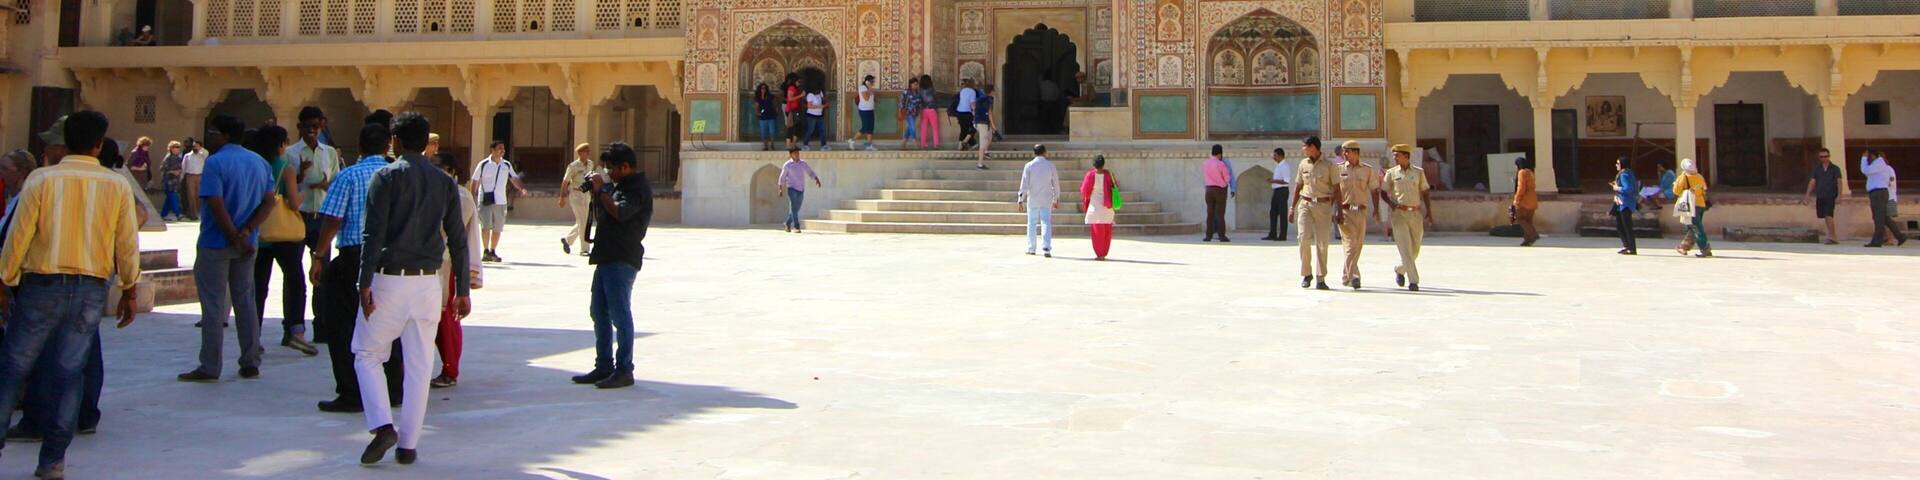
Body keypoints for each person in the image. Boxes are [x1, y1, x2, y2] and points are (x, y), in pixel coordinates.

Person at [0, 110, 142, 480]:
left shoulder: (42, 179)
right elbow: (126, 243)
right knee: (68, 372)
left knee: (13, 367)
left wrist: (4, 280)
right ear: (98, 144)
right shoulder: (116, 185)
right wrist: (129, 287)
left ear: (62, 144)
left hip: (40, 285)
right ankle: (52, 461)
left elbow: (19, 235)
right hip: (90, 289)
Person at [351, 112, 470, 466]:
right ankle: (408, 445)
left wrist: (364, 281)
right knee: (419, 365)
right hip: (428, 283)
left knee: (368, 353)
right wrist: (462, 288)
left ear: (395, 141)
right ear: (426, 143)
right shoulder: (444, 182)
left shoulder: (385, 176)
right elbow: (458, 240)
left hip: (389, 278)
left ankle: (382, 423)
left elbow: (372, 235)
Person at [311, 123, 405, 414]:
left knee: (343, 325)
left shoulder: (349, 175)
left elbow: (332, 219)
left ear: (360, 147)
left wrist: (319, 255)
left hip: (354, 255)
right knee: (389, 323)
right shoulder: (399, 176)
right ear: (388, 145)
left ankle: (351, 391)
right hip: (391, 259)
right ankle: (393, 388)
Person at [179, 115, 276, 382]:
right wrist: (246, 231)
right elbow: (269, 202)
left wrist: (233, 234)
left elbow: (215, 202)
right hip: (247, 243)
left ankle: (210, 365)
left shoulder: (216, 162)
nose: (209, 136)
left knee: (213, 305)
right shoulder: (259, 162)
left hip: (216, 242)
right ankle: (250, 359)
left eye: (213, 132)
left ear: (223, 135)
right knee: (245, 301)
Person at [571, 142, 652, 390]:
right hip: (606, 256)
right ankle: (604, 365)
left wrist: (602, 191)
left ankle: (624, 369)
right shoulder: (618, 186)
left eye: (612, 168)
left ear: (626, 167)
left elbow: (620, 212)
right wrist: (599, 192)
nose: (609, 172)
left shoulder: (637, 188)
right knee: (599, 312)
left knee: (620, 315)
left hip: (622, 258)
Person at [246, 126, 317, 356]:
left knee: (258, 286)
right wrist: (304, 190)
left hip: (259, 231)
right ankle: (295, 331)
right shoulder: (284, 167)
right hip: (285, 235)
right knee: (295, 281)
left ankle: (252, 336)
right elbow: (295, 202)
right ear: (280, 145)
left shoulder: (254, 166)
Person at [429, 152, 483, 389]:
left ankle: (450, 368)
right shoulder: (434, 191)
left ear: (451, 170)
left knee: (447, 318)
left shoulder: (460, 196)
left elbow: (455, 235)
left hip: (447, 264)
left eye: (439, 167)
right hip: (431, 264)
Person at [1381, 144, 1432, 291]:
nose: (1394, 158)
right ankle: (1414, 281)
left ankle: (1400, 269)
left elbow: (1426, 192)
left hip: (1415, 213)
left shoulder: (1418, 172)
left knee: (1415, 249)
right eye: (1394, 155)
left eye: (1397, 155)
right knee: (1405, 249)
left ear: (1406, 156)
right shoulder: (1391, 173)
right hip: (1399, 214)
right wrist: (1392, 204)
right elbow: (1383, 191)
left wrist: (1429, 212)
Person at [290, 107, 340, 254]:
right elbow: (285, 186)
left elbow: (336, 183)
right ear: (299, 127)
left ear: (321, 127)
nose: (311, 130)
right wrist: (300, 176)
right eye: (307, 126)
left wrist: (325, 186)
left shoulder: (330, 153)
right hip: (298, 216)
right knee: (294, 269)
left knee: (322, 265)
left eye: (315, 126)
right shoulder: (290, 153)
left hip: (321, 217)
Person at [1332, 140, 1380, 290]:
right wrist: (1335, 211)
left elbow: (1374, 190)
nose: (1345, 154)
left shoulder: (1367, 170)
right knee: (1350, 244)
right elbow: (1335, 191)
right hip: (1344, 211)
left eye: (1347, 151)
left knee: (1358, 244)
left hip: (1360, 211)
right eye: (1344, 151)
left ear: (1356, 153)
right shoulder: (1338, 169)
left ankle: (1347, 275)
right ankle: (1354, 276)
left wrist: (1376, 209)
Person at [470, 141, 527, 262]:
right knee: (485, 225)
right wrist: (472, 198)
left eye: (503, 148)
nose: (502, 151)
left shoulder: (506, 164)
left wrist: (522, 189)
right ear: (492, 150)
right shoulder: (483, 164)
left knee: (498, 227)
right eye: (500, 148)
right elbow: (475, 181)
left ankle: (493, 251)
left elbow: (514, 178)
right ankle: (485, 251)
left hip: (501, 200)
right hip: (485, 199)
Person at [1291, 136, 1335, 290]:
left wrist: (1336, 210)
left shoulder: (1329, 165)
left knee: (1322, 243)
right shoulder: (1303, 164)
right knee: (1303, 238)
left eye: (1305, 146)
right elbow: (1298, 186)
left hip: (1323, 205)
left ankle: (1320, 277)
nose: (1303, 149)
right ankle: (1306, 273)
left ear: (1313, 147)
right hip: (1305, 204)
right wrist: (1292, 207)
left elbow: (1337, 189)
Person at [1017, 144, 1060, 257]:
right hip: (1046, 198)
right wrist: (1056, 198)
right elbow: (1055, 183)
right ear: (1045, 152)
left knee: (1031, 223)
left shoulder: (1029, 165)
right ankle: (1046, 247)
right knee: (1046, 222)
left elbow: (1024, 183)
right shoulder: (1050, 165)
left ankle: (1031, 248)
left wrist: (1021, 199)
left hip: (1033, 198)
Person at [1861, 149, 1906, 248]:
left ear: (1873, 156)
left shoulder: (1879, 164)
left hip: (1879, 193)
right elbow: (1868, 173)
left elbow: (1864, 170)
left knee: (1878, 218)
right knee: (1883, 217)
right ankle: (1900, 236)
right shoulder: (1877, 166)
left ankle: (1877, 240)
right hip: (1878, 193)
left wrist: (1863, 158)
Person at [559, 143, 598, 255]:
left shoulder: (590, 164)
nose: (588, 153)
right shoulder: (573, 166)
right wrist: (562, 197)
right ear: (580, 153)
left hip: (587, 195)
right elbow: (565, 182)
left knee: (583, 221)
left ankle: (567, 240)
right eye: (586, 151)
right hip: (576, 194)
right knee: (584, 222)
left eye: (588, 151)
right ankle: (585, 249)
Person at [1081, 155, 1120, 260]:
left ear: (1094, 164)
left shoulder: (1090, 175)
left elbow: (1084, 191)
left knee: (1097, 232)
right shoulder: (1109, 174)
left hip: (1095, 207)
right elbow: (1117, 186)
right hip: (1108, 207)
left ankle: (1099, 254)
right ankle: (1104, 252)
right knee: (1107, 231)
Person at [1672, 158, 1712, 257]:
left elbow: (1676, 191)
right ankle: (1684, 247)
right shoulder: (1700, 177)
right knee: (1691, 227)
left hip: (1690, 205)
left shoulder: (1683, 177)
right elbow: (1704, 190)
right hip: (1701, 204)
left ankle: (1705, 249)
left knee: (1696, 228)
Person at [777, 147, 822, 233]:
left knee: (796, 209)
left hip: (801, 188)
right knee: (794, 208)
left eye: (798, 153)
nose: (797, 155)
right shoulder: (787, 165)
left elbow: (810, 172)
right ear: (791, 155)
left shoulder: (803, 163)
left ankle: (787, 223)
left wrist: (816, 179)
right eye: (795, 153)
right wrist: (780, 189)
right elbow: (782, 177)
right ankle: (796, 226)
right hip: (791, 188)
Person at [1804, 148, 1843, 245]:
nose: (1824, 159)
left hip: (1831, 195)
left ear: (1829, 157)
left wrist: (1839, 195)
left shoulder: (1835, 168)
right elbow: (1813, 181)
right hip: (1821, 195)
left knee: (1828, 215)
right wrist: (1807, 195)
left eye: (1826, 156)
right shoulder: (1817, 169)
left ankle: (1833, 236)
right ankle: (1830, 234)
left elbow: (1839, 182)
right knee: (1824, 216)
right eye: (1821, 157)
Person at [1202, 145, 1233, 242]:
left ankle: (1208, 236)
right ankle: (1221, 236)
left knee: (1210, 214)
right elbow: (1227, 178)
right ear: (1220, 154)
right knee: (1220, 214)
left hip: (1209, 190)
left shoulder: (1205, 163)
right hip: (1220, 190)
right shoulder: (1220, 164)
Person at [1609, 156, 1640, 255]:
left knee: (1626, 226)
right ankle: (1627, 246)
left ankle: (1631, 247)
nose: (1616, 165)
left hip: (1625, 203)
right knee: (1620, 225)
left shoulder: (1624, 174)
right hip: (1623, 202)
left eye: (1618, 163)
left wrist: (1617, 188)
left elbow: (1628, 188)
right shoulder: (1629, 173)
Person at [1264, 147, 1293, 241]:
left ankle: (1282, 235)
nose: (1274, 157)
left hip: (1282, 191)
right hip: (1276, 191)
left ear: (1280, 155)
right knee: (1273, 213)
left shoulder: (1285, 166)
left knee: (1282, 213)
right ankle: (1272, 233)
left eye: (1275, 155)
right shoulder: (1279, 166)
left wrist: (1273, 181)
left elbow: (1286, 181)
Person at [1513, 156, 1540, 246]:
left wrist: (1517, 199)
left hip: (1525, 199)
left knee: (1520, 219)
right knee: (1528, 221)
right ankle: (1527, 240)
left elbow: (1521, 187)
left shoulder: (1522, 172)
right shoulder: (1531, 172)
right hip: (1533, 199)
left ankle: (1533, 234)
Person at [181, 137, 207, 221]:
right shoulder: (187, 155)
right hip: (190, 176)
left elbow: (206, 155)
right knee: (191, 195)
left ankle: (201, 213)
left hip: (200, 176)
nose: (195, 147)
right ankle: (193, 214)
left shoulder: (203, 154)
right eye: (194, 145)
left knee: (199, 195)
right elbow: (183, 167)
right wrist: (182, 177)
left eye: (197, 146)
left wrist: (200, 149)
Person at [973, 85, 998, 170]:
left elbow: (972, 105)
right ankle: (980, 164)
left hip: (978, 122)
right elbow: (990, 112)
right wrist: (994, 125)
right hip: (983, 124)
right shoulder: (990, 99)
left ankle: (986, 152)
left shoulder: (980, 98)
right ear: (991, 91)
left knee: (990, 136)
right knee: (983, 144)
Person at [159, 141, 185, 221]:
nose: (177, 149)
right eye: (175, 147)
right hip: (168, 180)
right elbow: (162, 169)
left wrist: (179, 172)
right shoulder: (168, 157)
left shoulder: (178, 158)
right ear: (171, 148)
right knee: (173, 196)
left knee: (169, 199)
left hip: (175, 181)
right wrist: (173, 172)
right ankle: (178, 214)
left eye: (178, 147)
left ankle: (163, 214)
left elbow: (181, 168)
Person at [851, 75, 877, 151]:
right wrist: (870, 89)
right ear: (867, 81)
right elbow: (866, 98)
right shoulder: (862, 87)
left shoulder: (869, 88)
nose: (873, 83)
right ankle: (852, 140)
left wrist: (875, 100)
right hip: (864, 110)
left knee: (870, 128)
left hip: (870, 109)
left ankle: (869, 145)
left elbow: (870, 98)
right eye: (872, 81)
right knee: (865, 127)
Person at [801, 85, 830, 151]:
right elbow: (809, 106)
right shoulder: (810, 95)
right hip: (811, 115)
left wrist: (826, 99)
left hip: (819, 115)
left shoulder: (820, 93)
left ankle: (824, 145)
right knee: (810, 130)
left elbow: (823, 99)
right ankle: (805, 145)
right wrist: (822, 106)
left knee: (822, 130)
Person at [954, 79, 980, 151]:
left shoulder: (962, 90)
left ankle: (960, 146)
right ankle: (965, 142)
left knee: (963, 130)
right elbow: (972, 104)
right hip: (967, 112)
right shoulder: (972, 91)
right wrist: (975, 113)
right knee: (974, 127)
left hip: (959, 112)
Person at [918, 74, 942, 150]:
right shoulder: (932, 90)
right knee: (935, 128)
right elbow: (936, 99)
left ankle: (923, 144)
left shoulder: (920, 90)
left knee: (923, 128)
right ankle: (936, 144)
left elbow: (919, 100)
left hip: (924, 110)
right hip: (932, 110)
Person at [754, 83, 780, 151]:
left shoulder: (770, 96)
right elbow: (756, 106)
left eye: (765, 88)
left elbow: (775, 104)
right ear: (760, 89)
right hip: (763, 117)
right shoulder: (758, 97)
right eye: (762, 88)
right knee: (763, 133)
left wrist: (776, 111)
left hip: (771, 116)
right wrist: (757, 113)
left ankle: (772, 144)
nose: (763, 90)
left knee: (772, 131)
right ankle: (765, 146)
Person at [784, 74, 805, 149]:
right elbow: (789, 98)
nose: (799, 83)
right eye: (798, 81)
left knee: (794, 127)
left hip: (794, 110)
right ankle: (790, 144)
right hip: (791, 110)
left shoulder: (795, 88)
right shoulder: (792, 88)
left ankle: (791, 144)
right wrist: (800, 96)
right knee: (794, 127)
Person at [900, 78, 922, 150]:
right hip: (908, 113)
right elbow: (901, 102)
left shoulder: (918, 93)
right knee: (912, 127)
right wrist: (901, 111)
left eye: (917, 84)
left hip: (915, 113)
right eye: (914, 84)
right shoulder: (906, 92)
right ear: (911, 84)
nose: (916, 86)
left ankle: (904, 143)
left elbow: (919, 103)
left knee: (910, 127)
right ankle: (915, 142)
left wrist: (919, 111)